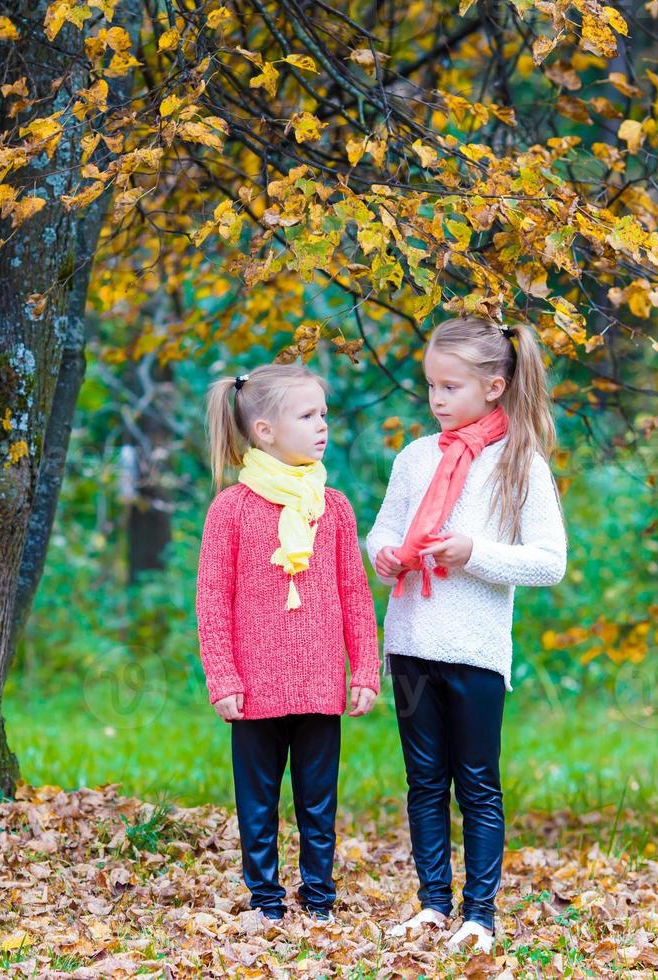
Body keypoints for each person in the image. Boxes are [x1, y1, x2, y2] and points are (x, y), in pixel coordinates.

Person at [367, 316, 569, 952]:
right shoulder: (415, 457)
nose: (436, 399)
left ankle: (478, 916)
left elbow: (549, 562)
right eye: (430, 386)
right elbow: (384, 529)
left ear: (494, 387)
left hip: (476, 651)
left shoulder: (521, 466)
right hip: (409, 644)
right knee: (424, 781)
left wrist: (473, 552)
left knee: (477, 782)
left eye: (450, 387)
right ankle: (432, 905)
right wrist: (384, 553)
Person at [195, 362, 381, 925]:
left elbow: (355, 594)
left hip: (322, 684)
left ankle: (319, 900)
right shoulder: (231, 509)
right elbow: (212, 601)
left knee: (317, 804)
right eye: (307, 415)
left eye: (323, 414)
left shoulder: (335, 508)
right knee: (258, 804)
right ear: (265, 432)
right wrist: (223, 677)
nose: (323, 425)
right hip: (253, 689)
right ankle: (266, 901)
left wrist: (365, 669)